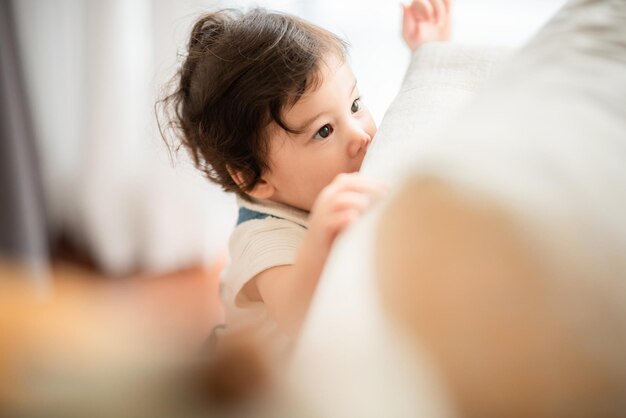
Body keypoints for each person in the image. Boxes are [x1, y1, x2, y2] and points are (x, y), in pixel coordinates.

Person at [160, 1, 452, 350]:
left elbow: (407, 139)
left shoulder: (330, 175)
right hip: (263, 391)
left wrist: (428, 56)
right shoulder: (261, 240)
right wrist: (317, 243)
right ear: (255, 179)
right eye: (325, 131)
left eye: (355, 105)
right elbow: (305, 319)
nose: (361, 136)